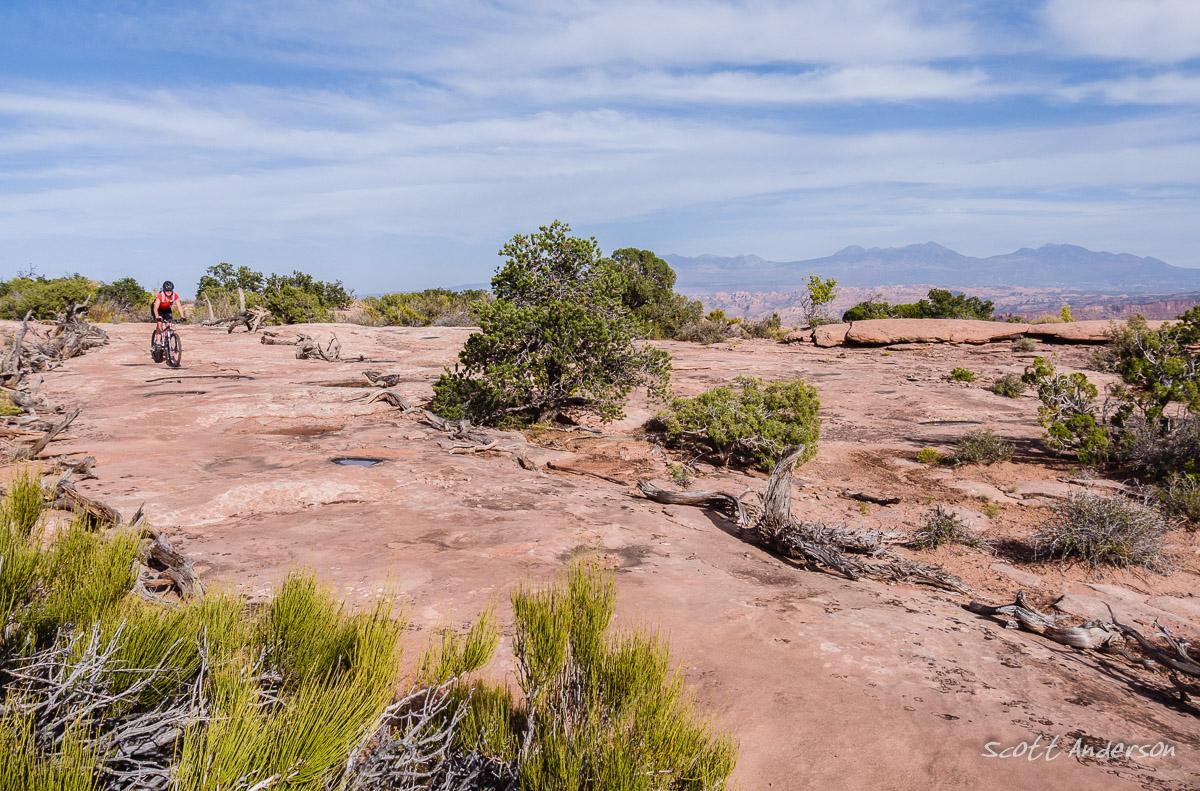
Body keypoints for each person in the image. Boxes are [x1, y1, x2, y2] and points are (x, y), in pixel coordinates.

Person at [150, 281, 186, 355]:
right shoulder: (160, 295)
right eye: (167, 290)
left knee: (170, 324)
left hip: (167, 309)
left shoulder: (175, 295)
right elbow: (155, 308)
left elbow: (179, 306)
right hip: (158, 309)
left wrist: (182, 316)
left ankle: (167, 339)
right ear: (164, 290)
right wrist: (157, 317)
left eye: (170, 290)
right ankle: (158, 342)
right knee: (159, 324)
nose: (169, 292)